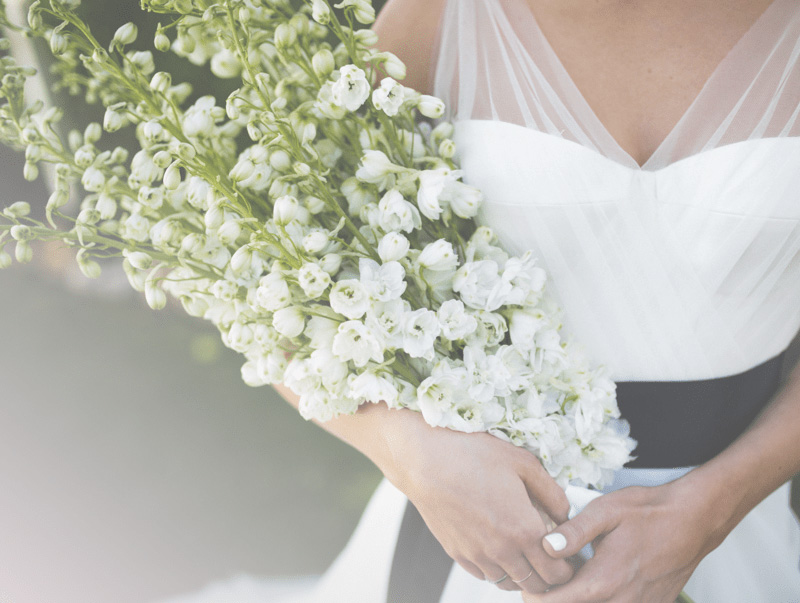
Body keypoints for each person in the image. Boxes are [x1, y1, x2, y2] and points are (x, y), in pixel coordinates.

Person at [166, 0, 800, 601]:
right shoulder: (445, 15)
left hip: (734, 538)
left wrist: (713, 510)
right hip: (473, 543)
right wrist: (410, 453)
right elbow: (266, 291)